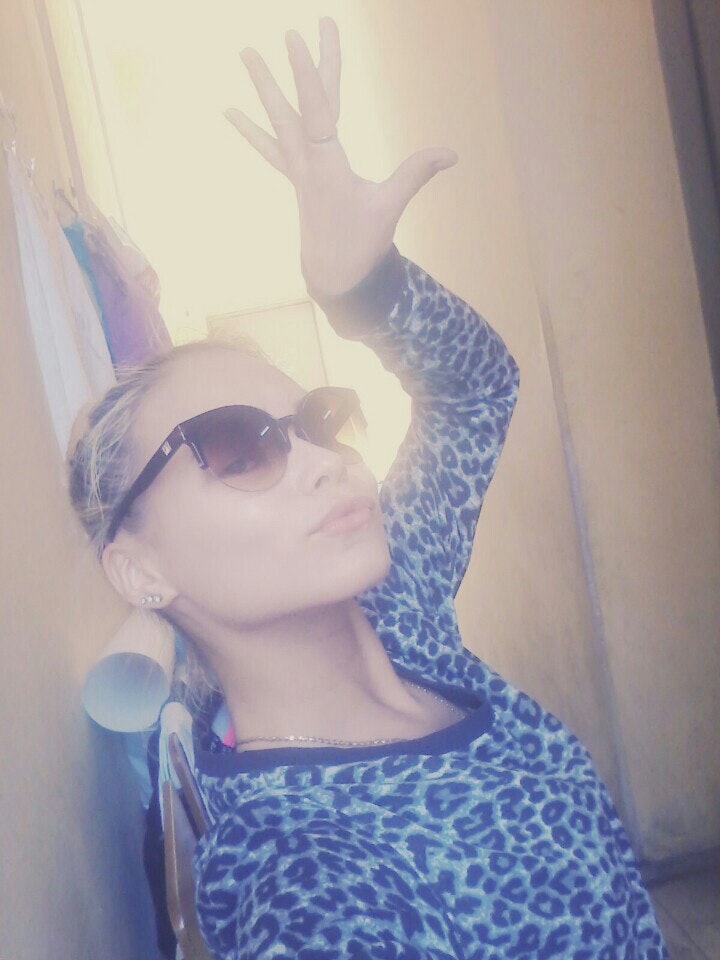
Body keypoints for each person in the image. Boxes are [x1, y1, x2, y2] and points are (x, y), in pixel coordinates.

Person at [67, 19, 667, 960]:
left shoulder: (400, 617)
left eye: (315, 420)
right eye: (238, 448)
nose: (326, 459)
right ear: (138, 568)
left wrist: (367, 289)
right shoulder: (300, 879)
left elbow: (475, 391)